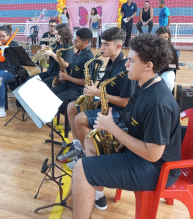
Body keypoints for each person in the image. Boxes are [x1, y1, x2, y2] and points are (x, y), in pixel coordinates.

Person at [72, 34, 181, 218]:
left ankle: (85, 194)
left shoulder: (157, 103)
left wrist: (112, 128)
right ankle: (94, 194)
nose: (126, 64)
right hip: (143, 157)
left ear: (148, 65)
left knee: (81, 169)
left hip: (156, 170)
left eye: (131, 60)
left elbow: (153, 155)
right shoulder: (145, 85)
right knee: (91, 143)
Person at [58, 27, 138, 175]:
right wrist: (96, 101)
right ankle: (77, 146)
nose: (101, 48)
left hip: (121, 114)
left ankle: (85, 155)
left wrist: (99, 94)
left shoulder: (125, 69)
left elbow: (127, 102)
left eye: (106, 44)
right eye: (102, 44)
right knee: (71, 107)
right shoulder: (111, 62)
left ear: (118, 46)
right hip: (108, 106)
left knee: (80, 119)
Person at [50, 27, 94, 104]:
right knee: (49, 94)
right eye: (75, 39)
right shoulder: (79, 52)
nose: (74, 42)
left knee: (54, 100)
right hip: (69, 84)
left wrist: (67, 77)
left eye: (77, 41)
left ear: (86, 43)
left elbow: (85, 82)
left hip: (78, 90)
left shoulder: (88, 58)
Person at [155, 26, 179, 92]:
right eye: (162, 37)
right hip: (154, 70)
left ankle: (166, 97)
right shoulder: (152, 47)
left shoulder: (173, 50)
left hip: (167, 70)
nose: (164, 39)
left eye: (166, 37)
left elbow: (173, 65)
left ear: (168, 38)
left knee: (168, 80)